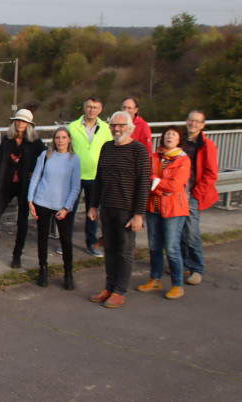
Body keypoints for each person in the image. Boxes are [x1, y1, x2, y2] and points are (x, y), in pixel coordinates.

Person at [88, 111, 150, 309]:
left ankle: (119, 291)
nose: (116, 129)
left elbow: (143, 184)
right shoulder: (106, 147)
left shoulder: (138, 150)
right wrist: (92, 205)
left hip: (127, 210)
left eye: (121, 125)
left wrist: (138, 214)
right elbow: (98, 179)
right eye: (113, 125)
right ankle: (109, 287)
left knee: (125, 251)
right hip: (107, 207)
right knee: (110, 250)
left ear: (130, 127)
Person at [0, 109, 45, 269]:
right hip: (6, 185)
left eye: (23, 121)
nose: (20, 123)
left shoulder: (35, 142)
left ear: (29, 125)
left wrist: (37, 174)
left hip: (25, 186)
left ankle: (17, 256)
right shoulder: (7, 140)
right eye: (17, 120)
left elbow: (46, 158)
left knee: (22, 223)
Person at [137, 126, 190, 299]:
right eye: (167, 134)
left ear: (179, 140)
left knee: (172, 248)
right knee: (154, 247)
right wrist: (158, 186)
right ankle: (155, 279)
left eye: (173, 134)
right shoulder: (153, 157)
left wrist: (155, 184)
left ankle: (177, 285)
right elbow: (146, 180)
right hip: (153, 208)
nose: (169, 136)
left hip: (174, 210)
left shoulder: (183, 160)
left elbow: (175, 186)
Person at [27, 127, 81, 290]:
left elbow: (75, 187)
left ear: (69, 140)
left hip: (62, 206)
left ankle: (68, 273)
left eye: (64, 137)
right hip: (42, 202)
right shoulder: (45, 156)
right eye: (58, 137)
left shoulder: (74, 159)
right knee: (42, 238)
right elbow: (35, 179)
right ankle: (43, 268)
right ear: (54, 140)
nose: (60, 141)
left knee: (66, 241)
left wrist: (66, 208)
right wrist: (30, 201)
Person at [67, 96, 113, 257]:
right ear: (84, 108)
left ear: (100, 110)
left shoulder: (107, 129)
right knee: (69, 210)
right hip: (75, 176)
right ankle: (65, 242)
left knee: (92, 212)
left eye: (95, 107)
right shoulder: (73, 127)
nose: (92, 110)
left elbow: (111, 151)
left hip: (96, 177)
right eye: (89, 106)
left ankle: (91, 243)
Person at [180, 110, 219, 286]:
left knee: (191, 232)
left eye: (197, 121)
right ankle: (183, 263)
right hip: (177, 192)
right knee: (179, 230)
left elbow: (211, 173)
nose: (193, 124)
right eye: (190, 120)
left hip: (193, 194)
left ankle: (196, 268)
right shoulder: (180, 140)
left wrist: (196, 193)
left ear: (203, 125)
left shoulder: (207, 145)